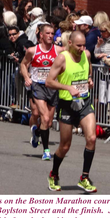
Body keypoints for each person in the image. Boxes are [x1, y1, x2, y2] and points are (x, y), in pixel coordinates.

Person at [45, 31, 97, 192]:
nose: (82, 48)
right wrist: (68, 87)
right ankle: (54, 174)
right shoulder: (62, 58)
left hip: (84, 103)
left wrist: (89, 80)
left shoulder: (86, 55)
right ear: (70, 44)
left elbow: (89, 71)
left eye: (84, 45)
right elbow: (49, 81)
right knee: (65, 146)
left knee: (92, 138)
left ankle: (84, 177)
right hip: (67, 105)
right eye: (78, 46)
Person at [20, 23, 63, 160]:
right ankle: (46, 151)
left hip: (52, 86)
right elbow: (23, 64)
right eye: (48, 33)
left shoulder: (59, 50)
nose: (51, 36)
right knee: (43, 117)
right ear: (41, 35)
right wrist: (27, 77)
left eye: (52, 33)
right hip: (38, 85)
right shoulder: (32, 50)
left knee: (48, 122)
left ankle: (37, 132)